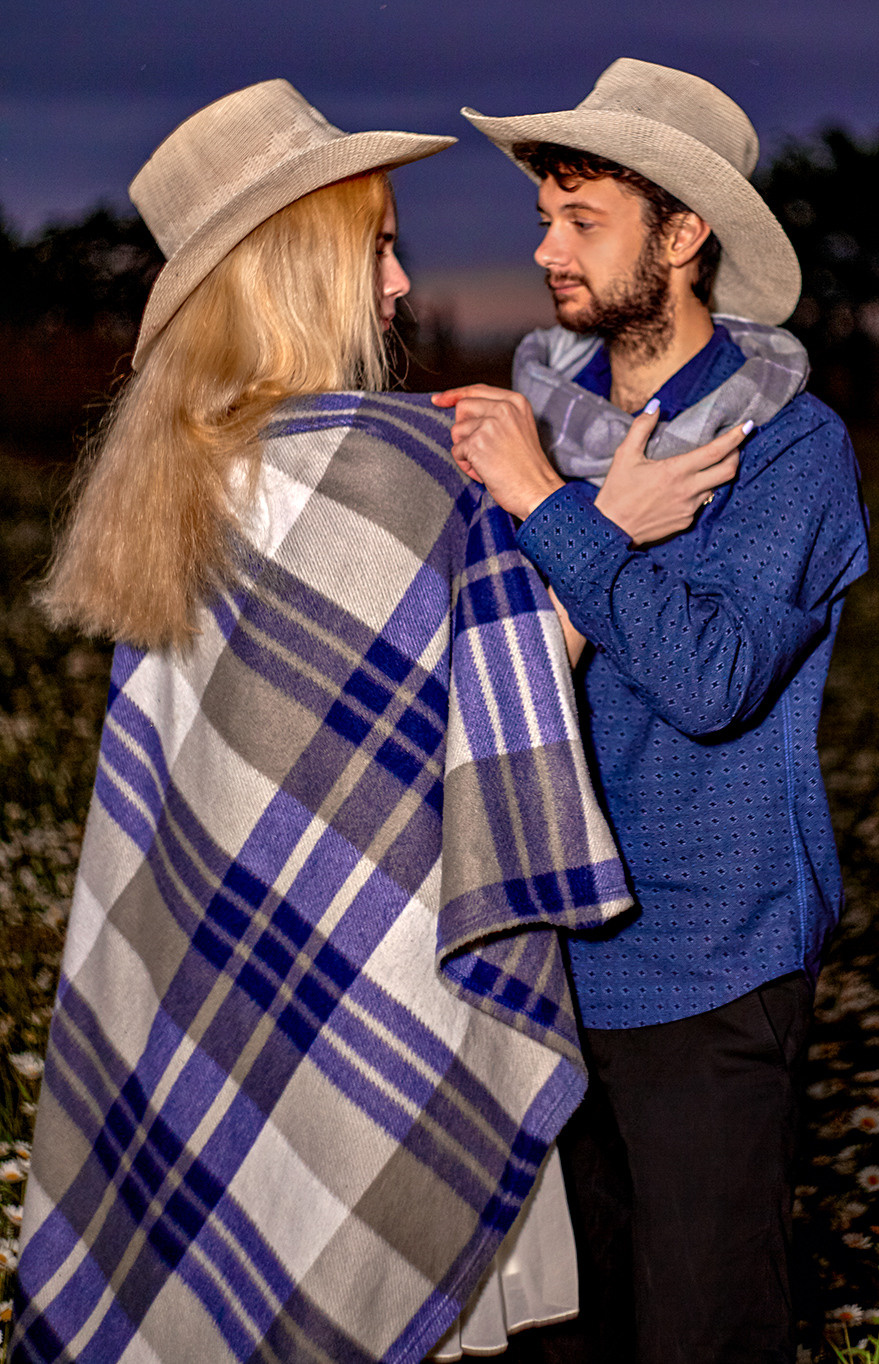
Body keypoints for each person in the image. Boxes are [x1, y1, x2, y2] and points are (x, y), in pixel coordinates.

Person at [13, 80, 633, 1364]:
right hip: (396, 999)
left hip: (213, 1001)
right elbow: (511, 699)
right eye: (379, 247)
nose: (401, 285)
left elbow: (165, 831)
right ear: (303, 269)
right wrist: (613, 521)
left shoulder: (173, 474)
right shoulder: (401, 465)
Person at [432, 58, 870, 1363]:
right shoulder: (539, 420)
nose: (545, 248)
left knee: (701, 1334)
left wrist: (554, 513)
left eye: (582, 220)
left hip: (709, 958)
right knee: (570, 1336)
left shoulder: (791, 447)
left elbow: (711, 682)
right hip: (547, 948)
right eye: (544, 216)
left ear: (682, 238)